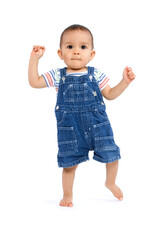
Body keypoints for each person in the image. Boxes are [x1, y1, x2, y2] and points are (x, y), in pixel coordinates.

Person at [28, 24, 136, 207]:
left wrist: (124, 82)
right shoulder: (57, 75)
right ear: (60, 54)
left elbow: (110, 94)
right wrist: (34, 59)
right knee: (69, 164)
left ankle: (110, 182)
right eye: (70, 47)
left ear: (91, 54)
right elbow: (34, 82)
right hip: (70, 129)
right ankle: (67, 195)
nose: (76, 52)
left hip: (98, 125)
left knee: (112, 155)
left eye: (83, 47)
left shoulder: (96, 74)